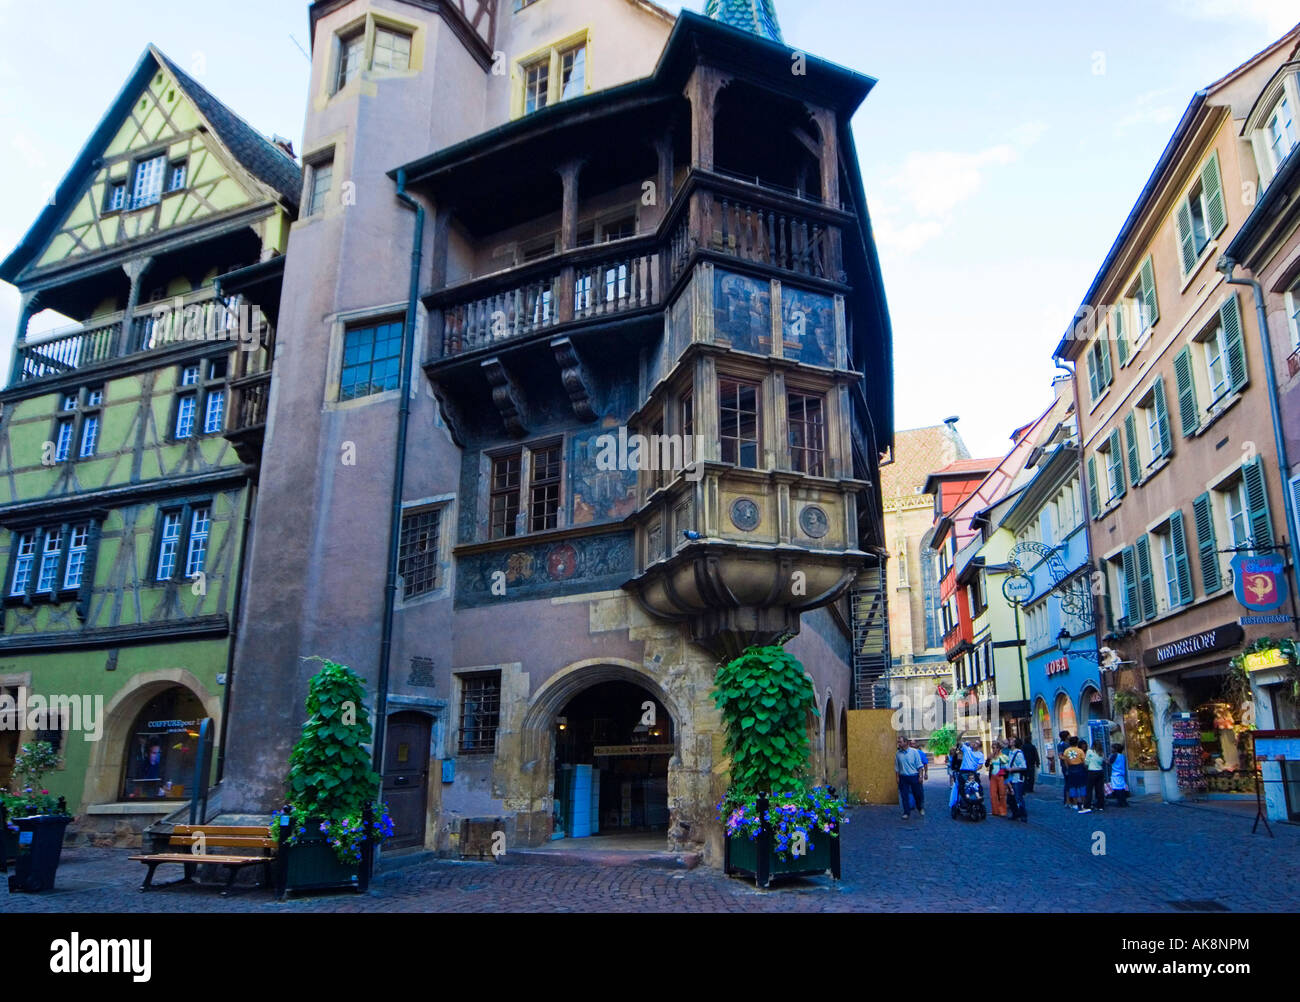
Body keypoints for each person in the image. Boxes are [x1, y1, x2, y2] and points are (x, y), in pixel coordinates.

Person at [895, 735, 925, 819]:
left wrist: (920, 776)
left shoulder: (914, 752)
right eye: (898, 742)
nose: (899, 744)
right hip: (903, 777)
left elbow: (919, 765)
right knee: (904, 796)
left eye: (900, 742)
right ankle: (906, 812)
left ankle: (920, 807)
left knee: (917, 794)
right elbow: (897, 767)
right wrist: (897, 777)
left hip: (914, 776)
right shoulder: (898, 754)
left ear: (905, 742)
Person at [1061, 736, 1087, 812]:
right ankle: (1083, 803)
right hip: (1080, 768)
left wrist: (1068, 769)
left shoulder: (1066, 751)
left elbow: (1065, 761)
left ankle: (1075, 803)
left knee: (1073, 787)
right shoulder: (1080, 751)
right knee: (1082, 786)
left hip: (1071, 769)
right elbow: (1083, 761)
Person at [1006, 739, 1029, 821]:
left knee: (1018, 797)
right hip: (1010, 778)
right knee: (1010, 798)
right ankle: (1015, 813)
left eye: (1012, 740)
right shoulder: (1010, 752)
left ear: (1015, 743)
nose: (1010, 741)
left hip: (1017, 778)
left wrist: (1012, 769)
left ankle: (1023, 815)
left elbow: (1023, 766)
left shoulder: (1018, 753)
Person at [1084, 739, 1107, 812]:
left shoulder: (1089, 751)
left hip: (1092, 771)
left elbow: (1086, 762)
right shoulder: (1101, 753)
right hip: (1100, 771)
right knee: (1099, 789)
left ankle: (1087, 805)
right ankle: (1100, 805)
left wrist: (1086, 766)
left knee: (1089, 789)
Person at [988, 740, 1008, 817]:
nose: (994, 749)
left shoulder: (1003, 756)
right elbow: (987, 765)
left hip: (1000, 776)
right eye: (993, 748)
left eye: (995, 748)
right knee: (993, 794)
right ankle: (995, 811)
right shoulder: (991, 757)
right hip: (993, 776)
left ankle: (1002, 811)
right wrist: (989, 759)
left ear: (999, 748)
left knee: (1002, 794)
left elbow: (1006, 764)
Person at [1107, 742, 1131, 807]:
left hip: (1115, 774)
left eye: (1112, 748)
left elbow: (1109, 762)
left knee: (1117, 789)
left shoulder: (1114, 755)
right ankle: (1124, 801)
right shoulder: (1122, 756)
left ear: (1115, 749)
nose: (1111, 749)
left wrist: (1106, 759)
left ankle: (1120, 802)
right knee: (1122, 788)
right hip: (1121, 774)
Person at [1057, 731, 1072, 805]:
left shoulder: (1069, 743)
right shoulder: (1061, 744)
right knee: (1068, 783)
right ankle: (1067, 799)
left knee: (1070, 782)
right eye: (1069, 734)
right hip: (1065, 766)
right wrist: (1067, 758)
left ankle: (1070, 798)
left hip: (1070, 765)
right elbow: (1060, 756)